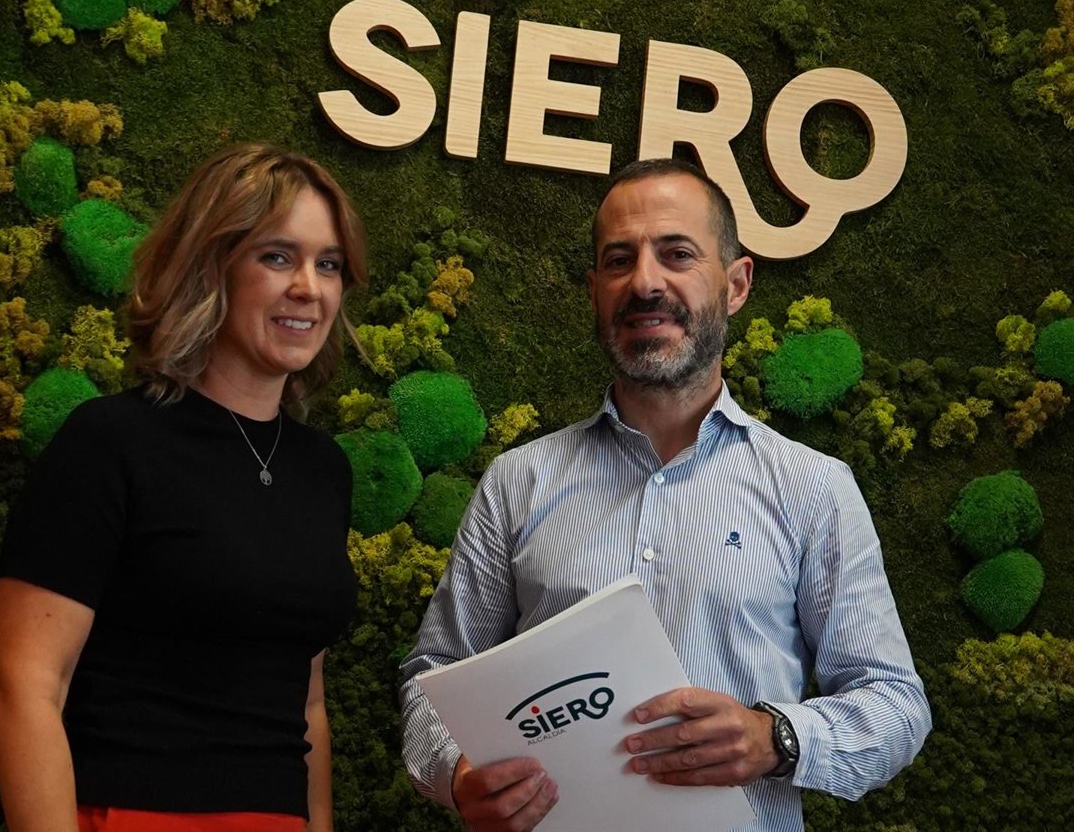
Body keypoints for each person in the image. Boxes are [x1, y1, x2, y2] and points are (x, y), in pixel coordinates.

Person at [398, 158, 931, 832]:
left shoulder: (813, 489)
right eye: (619, 261)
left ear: (736, 285)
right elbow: (433, 677)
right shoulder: (516, 482)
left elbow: (896, 704)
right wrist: (459, 776)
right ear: (595, 291)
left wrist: (776, 738)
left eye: (677, 254)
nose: (645, 282)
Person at [0, 143, 367, 832]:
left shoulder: (324, 469)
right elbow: (25, 684)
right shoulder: (109, 441)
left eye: (328, 264)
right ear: (210, 265)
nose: (309, 287)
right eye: (277, 256)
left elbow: (306, 704)